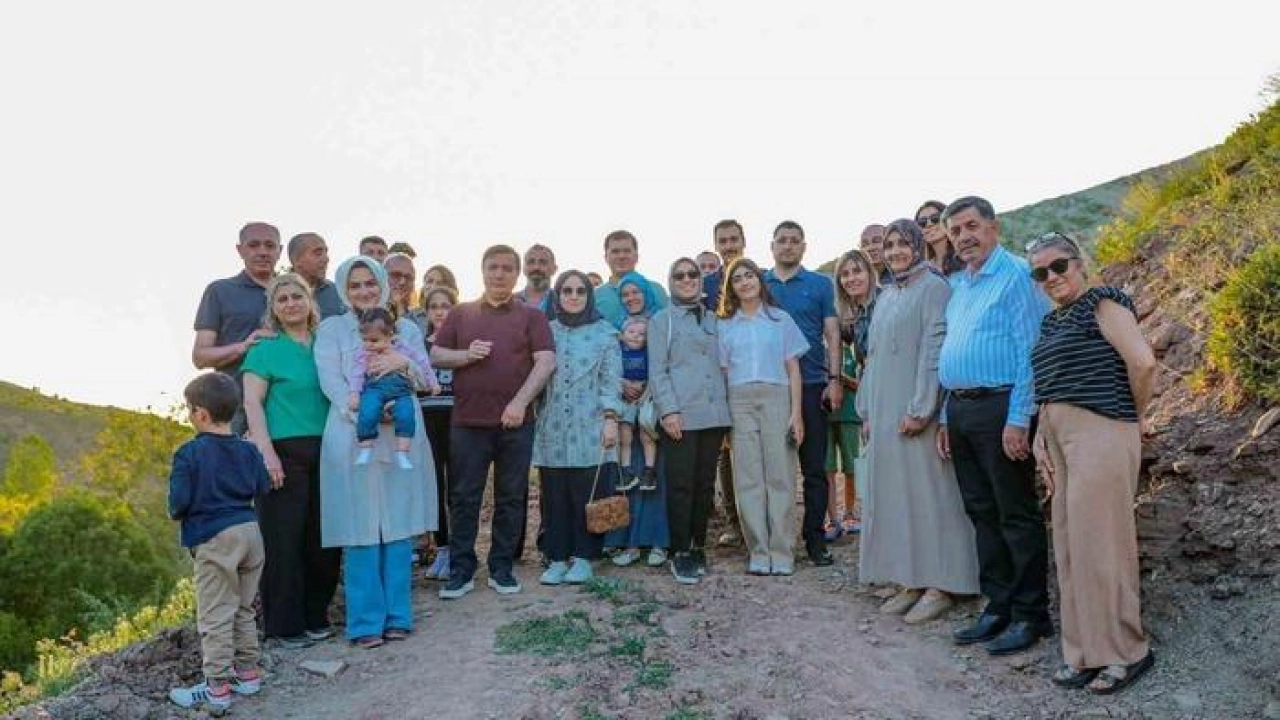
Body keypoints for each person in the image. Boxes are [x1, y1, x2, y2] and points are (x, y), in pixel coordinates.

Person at [1028, 232, 1156, 694]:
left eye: (1059, 266)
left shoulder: (1104, 302)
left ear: (1079, 264)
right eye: (1040, 272)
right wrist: (1041, 436)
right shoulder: (1051, 322)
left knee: (1102, 544)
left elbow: (1143, 364)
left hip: (1102, 429)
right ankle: (1083, 652)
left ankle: (1126, 651)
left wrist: (1130, 416)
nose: (1051, 277)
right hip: (1059, 438)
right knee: (1070, 545)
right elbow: (1051, 386)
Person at [936, 196, 1052, 656]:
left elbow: (1031, 351)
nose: (964, 237)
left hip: (1002, 406)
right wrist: (946, 416)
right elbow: (953, 353)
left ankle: (1030, 615)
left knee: (1015, 513)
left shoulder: (1017, 275)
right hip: (962, 410)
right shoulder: (960, 285)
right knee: (981, 511)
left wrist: (1019, 418)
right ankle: (998, 605)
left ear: (993, 227)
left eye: (971, 226)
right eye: (955, 231)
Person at [856, 220, 980, 625]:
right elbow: (873, 358)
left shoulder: (934, 288)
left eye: (902, 243)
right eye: (889, 245)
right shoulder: (888, 293)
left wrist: (922, 408)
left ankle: (942, 584)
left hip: (914, 411)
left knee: (930, 497)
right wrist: (867, 410)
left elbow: (934, 349)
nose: (894, 251)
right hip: (884, 410)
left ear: (917, 246)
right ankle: (910, 578)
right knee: (897, 497)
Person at [315, 256, 436, 648]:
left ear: (382, 284)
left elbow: (423, 378)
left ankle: (398, 615)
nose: (364, 291)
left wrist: (404, 364)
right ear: (343, 289)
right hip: (353, 434)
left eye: (370, 283)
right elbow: (332, 382)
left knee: (398, 522)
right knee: (360, 524)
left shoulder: (405, 328)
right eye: (355, 285)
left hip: (400, 431)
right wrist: (363, 413)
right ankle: (365, 621)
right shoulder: (332, 330)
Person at [430, 245, 556, 599]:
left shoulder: (532, 317)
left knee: (511, 497)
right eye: (492, 267)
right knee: (463, 496)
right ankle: (462, 570)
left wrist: (519, 403)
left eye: (506, 268)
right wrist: (465, 355)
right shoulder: (461, 313)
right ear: (482, 271)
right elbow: (436, 355)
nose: (499, 274)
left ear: (516, 274)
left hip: (516, 422)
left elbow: (545, 362)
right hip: (468, 422)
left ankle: (502, 568)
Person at [241, 274, 341, 649]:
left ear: (310, 300)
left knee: (324, 539)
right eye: (281, 299)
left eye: (296, 296)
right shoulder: (265, 350)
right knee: (284, 541)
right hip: (282, 452)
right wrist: (266, 454)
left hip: (329, 449)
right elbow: (252, 403)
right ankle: (285, 626)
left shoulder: (326, 345)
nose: (290, 303)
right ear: (273, 309)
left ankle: (317, 615)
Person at [167, 373, 269, 714]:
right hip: (250, 532)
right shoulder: (249, 449)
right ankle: (248, 674)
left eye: (189, 409)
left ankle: (217, 690)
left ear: (201, 414)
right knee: (243, 607)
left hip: (215, 537)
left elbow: (178, 504)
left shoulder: (189, 453)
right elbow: (262, 486)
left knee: (214, 614)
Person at [718, 258, 808, 575]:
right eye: (737, 279)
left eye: (749, 276)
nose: (745, 282)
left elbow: (793, 369)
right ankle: (758, 551)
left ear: (759, 280)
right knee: (748, 478)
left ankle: (782, 552)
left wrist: (796, 413)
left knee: (780, 475)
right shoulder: (725, 325)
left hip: (776, 397)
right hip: (739, 400)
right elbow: (723, 374)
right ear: (731, 288)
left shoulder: (780, 319)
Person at [534, 270, 624, 586]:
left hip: (591, 423)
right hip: (553, 425)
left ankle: (585, 558)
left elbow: (611, 380)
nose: (573, 296)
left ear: (589, 295)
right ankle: (558, 558)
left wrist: (611, 419)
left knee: (588, 492)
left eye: (580, 291)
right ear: (557, 296)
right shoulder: (546, 332)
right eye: (567, 291)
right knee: (555, 494)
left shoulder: (606, 334)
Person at [763, 220, 842, 567]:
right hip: (770, 387)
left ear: (804, 246)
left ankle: (815, 540)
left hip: (811, 384)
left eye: (795, 240)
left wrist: (834, 379)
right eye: (782, 240)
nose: (788, 245)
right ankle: (773, 539)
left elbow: (832, 333)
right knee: (773, 470)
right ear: (772, 246)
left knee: (813, 468)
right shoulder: (759, 283)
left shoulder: (820, 284)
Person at [649, 257, 731, 584]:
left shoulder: (714, 319)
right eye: (679, 275)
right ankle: (679, 550)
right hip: (680, 415)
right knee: (681, 485)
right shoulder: (662, 321)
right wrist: (668, 411)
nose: (687, 279)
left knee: (704, 485)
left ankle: (698, 545)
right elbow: (658, 371)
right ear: (671, 281)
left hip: (713, 415)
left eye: (692, 274)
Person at [606, 271, 671, 569]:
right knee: (627, 477)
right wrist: (622, 384)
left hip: (652, 412)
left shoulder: (660, 324)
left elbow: (668, 364)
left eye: (636, 292)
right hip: (625, 413)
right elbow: (609, 366)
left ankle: (658, 541)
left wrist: (649, 387)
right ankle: (628, 542)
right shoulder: (619, 330)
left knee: (655, 478)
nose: (631, 298)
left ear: (647, 293)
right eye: (625, 294)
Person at [192, 221, 282, 433]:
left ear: (280, 250)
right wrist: (243, 347)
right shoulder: (220, 291)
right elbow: (200, 357)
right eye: (254, 245)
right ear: (240, 250)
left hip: (289, 410)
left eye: (270, 245)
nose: (263, 252)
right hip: (236, 411)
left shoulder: (294, 294)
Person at [825, 249, 878, 539]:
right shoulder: (851, 320)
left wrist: (845, 381)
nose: (851, 278)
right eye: (844, 274)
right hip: (843, 408)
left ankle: (854, 513)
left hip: (864, 405)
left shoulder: (880, 307)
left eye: (857, 271)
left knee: (857, 464)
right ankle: (835, 517)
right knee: (831, 466)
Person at [347, 307, 440, 470]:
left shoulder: (403, 348)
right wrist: (354, 394)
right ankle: (365, 448)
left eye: (374, 340)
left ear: (390, 335)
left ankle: (402, 452)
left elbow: (423, 363)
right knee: (367, 412)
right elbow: (357, 374)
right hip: (374, 388)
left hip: (401, 391)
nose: (368, 345)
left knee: (406, 415)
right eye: (364, 340)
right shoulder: (364, 354)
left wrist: (433, 382)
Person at [703, 220, 748, 547]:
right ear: (716, 244)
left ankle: (757, 519)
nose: (729, 245)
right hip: (719, 377)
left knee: (754, 449)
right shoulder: (706, 284)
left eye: (734, 239)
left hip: (752, 373)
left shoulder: (756, 276)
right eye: (723, 241)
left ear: (743, 241)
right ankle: (734, 522)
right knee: (726, 452)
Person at [419, 285, 459, 580]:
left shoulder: (462, 344)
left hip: (456, 419)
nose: (440, 312)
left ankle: (459, 549)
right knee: (433, 486)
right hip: (427, 419)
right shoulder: (419, 344)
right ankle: (442, 548)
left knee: (457, 487)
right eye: (434, 306)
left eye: (446, 306)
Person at [594, 230, 669, 328]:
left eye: (627, 251)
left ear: (636, 256)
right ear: (606, 258)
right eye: (615, 252)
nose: (621, 256)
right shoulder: (596, 296)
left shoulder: (657, 290)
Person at [616, 317, 658, 491]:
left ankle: (649, 471)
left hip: (645, 397)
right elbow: (612, 373)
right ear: (622, 334)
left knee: (646, 434)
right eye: (631, 332)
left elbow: (654, 375)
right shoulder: (618, 351)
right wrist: (623, 384)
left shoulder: (649, 353)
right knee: (624, 434)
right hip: (625, 398)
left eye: (642, 334)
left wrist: (645, 394)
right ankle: (626, 470)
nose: (636, 336)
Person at [287, 232, 345, 319]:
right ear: (296, 259)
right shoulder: (276, 293)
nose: (326, 259)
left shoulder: (339, 292)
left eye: (326, 253)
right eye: (318, 254)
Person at [916, 201, 964, 276]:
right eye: (922, 222)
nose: (929, 224)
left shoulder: (964, 256)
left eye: (935, 218)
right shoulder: (921, 268)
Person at [516, 244, 557, 311]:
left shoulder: (564, 303)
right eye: (531, 262)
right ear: (523, 268)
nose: (536, 267)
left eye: (543, 262)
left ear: (554, 269)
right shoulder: (509, 302)